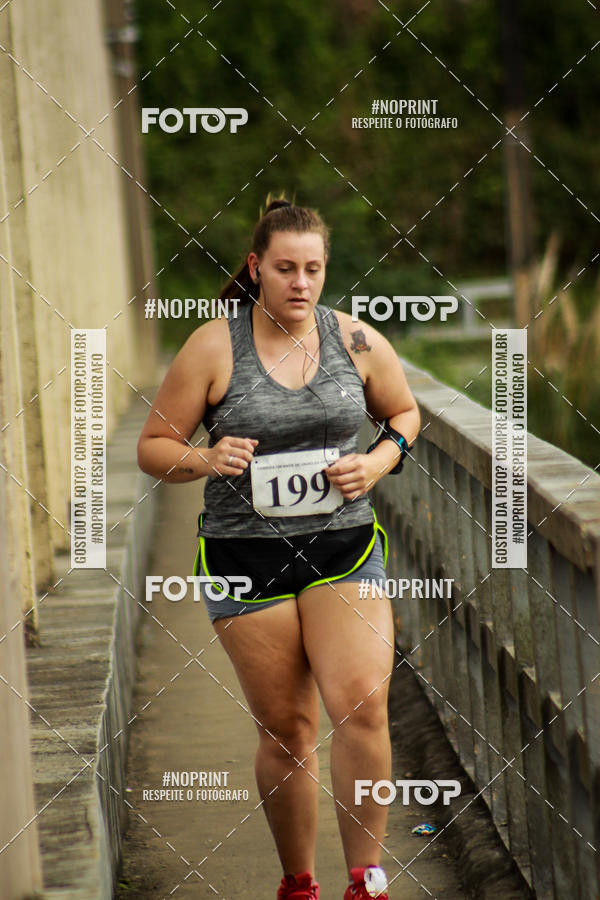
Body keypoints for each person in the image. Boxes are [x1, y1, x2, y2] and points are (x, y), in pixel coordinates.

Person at [137, 196, 421, 899]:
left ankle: (368, 880)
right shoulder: (213, 345)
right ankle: (299, 882)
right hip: (245, 559)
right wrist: (204, 460)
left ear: (326, 272)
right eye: (287, 268)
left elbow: (404, 412)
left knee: (362, 704)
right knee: (288, 730)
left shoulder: (355, 340)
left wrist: (381, 460)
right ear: (258, 268)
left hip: (343, 547)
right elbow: (153, 448)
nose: (301, 283)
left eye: (314, 269)